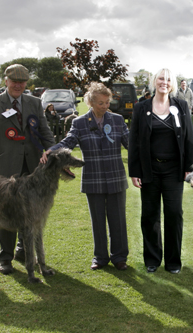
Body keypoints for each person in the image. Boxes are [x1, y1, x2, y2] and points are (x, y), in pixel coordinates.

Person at [0, 64, 55, 275]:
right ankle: (5, 258)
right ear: (6, 81)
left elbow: (45, 132)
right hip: (5, 168)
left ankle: (23, 250)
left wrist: (52, 151)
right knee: (5, 212)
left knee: (30, 212)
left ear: (26, 83)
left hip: (33, 169)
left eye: (22, 81)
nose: (18, 85)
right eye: (14, 81)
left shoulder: (35, 102)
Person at [40, 82, 130, 271]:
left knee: (118, 220)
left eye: (107, 102)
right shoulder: (79, 123)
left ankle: (120, 257)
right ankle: (100, 258)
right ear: (90, 102)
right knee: (97, 220)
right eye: (100, 103)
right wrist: (51, 151)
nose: (105, 106)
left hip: (115, 176)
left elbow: (131, 144)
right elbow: (68, 142)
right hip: (93, 178)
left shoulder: (117, 120)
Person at [128, 68, 193, 274]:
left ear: (172, 84)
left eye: (168, 79)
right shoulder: (141, 108)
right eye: (160, 78)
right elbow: (135, 142)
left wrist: (189, 168)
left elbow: (189, 139)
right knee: (150, 215)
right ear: (154, 82)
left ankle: (173, 262)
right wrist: (134, 171)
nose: (164, 82)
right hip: (149, 170)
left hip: (174, 170)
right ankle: (152, 259)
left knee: (174, 214)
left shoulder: (181, 106)